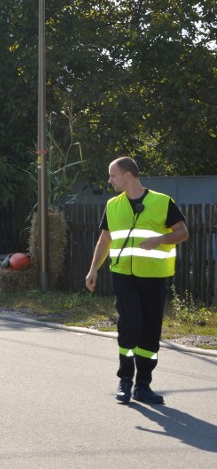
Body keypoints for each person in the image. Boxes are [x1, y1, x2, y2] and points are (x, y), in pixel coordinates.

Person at [85, 156, 189, 405]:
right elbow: (104, 241)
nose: (110, 180)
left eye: (113, 175)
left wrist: (160, 240)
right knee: (130, 325)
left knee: (151, 331)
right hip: (123, 276)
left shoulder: (163, 202)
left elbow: (183, 232)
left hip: (154, 277)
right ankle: (124, 381)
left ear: (127, 175)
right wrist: (93, 270)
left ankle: (143, 385)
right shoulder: (112, 205)